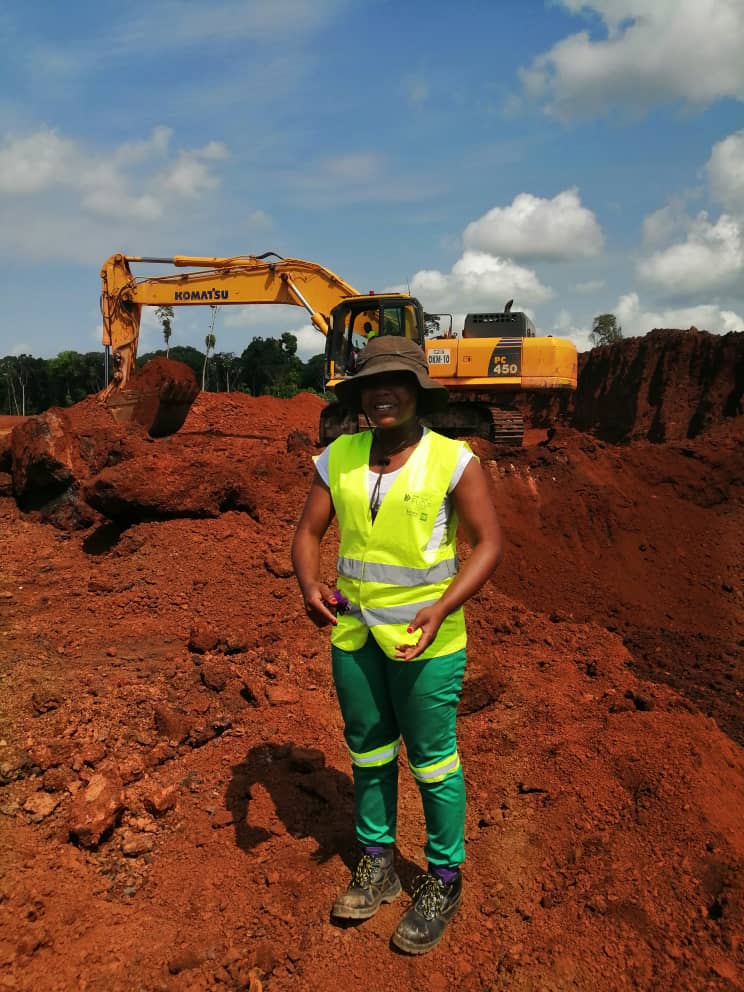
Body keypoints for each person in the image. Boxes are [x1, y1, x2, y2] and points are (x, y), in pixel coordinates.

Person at [291, 336, 502, 955]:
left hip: (425, 641)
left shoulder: (452, 460)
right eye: (370, 385)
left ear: (417, 392)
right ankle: (378, 860)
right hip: (354, 636)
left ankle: (443, 878)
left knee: (433, 761)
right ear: (357, 395)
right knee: (370, 752)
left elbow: (489, 544)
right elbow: (307, 533)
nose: (382, 394)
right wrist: (309, 584)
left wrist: (443, 606)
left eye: (396, 383)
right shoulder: (338, 457)